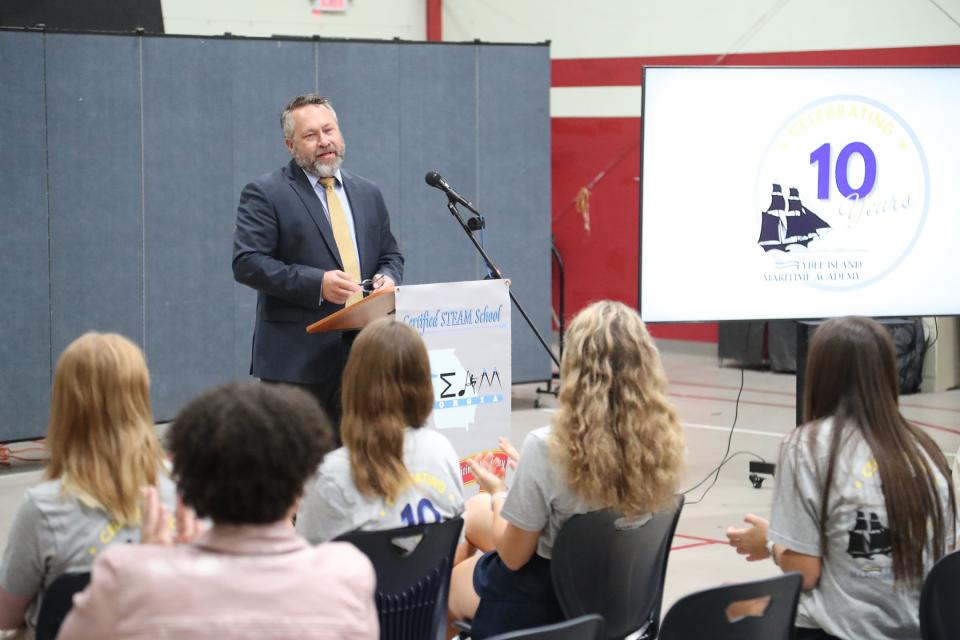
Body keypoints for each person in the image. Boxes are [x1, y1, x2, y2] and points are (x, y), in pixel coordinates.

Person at [59, 381, 379, 639]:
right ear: (302, 484)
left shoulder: (126, 578)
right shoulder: (348, 574)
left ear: (188, 480)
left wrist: (149, 572)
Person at [448, 300, 687, 638]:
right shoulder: (665, 442)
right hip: (617, 595)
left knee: (448, 584)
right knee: (473, 512)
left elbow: (514, 557)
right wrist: (532, 475)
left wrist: (500, 491)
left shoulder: (549, 447)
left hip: (544, 600)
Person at [726, 316, 956, 640]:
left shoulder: (806, 447)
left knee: (728, 609)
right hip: (921, 632)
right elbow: (943, 567)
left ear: (820, 376)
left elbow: (804, 573)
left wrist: (770, 542)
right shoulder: (926, 451)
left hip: (837, 633)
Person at [233, 93, 404, 428]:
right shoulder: (266, 193)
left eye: (329, 130)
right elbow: (248, 262)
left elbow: (390, 254)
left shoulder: (368, 193)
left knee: (359, 461)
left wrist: (388, 276)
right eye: (310, 135)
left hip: (364, 355)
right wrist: (318, 284)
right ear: (290, 145)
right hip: (296, 363)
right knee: (300, 467)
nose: (324, 142)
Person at [0, 332, 176, 634]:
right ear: (141, 399)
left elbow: (5, 616)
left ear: (64, 407)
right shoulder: (187, 493)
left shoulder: (44, 508)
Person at [297, 317, 464, 542]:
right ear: (424, 381)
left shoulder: (330, 475)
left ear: (353, 383)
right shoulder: (442, 451)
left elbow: (305, 563)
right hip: (430, 578)